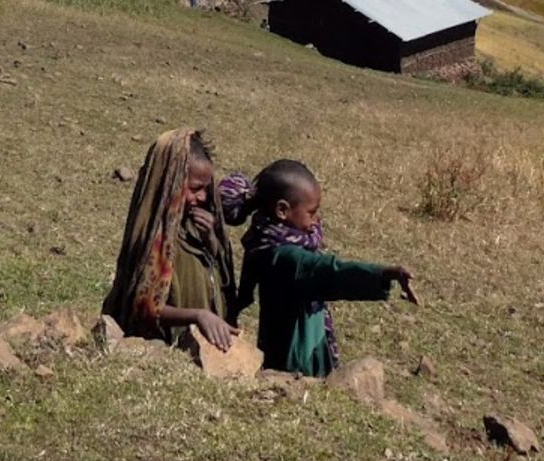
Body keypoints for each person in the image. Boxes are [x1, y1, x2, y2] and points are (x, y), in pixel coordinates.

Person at [227, 158, 416, 376]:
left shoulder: (264, 240)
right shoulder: (286, 258)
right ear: (282, 210)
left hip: (282, 347)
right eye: (311, 212)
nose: (316, 221)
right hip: (298, 360)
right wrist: (384, 274)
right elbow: (331, 272)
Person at [103, 128, 239, 350]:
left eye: (206, 189)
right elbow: (142, 306)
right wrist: (198, 316)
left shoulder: (193, 227)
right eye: (195, 189)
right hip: (164, 348)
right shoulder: (152, 239)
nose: (203, 197)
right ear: (172, 183)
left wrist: (212, 242)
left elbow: (219, 281)